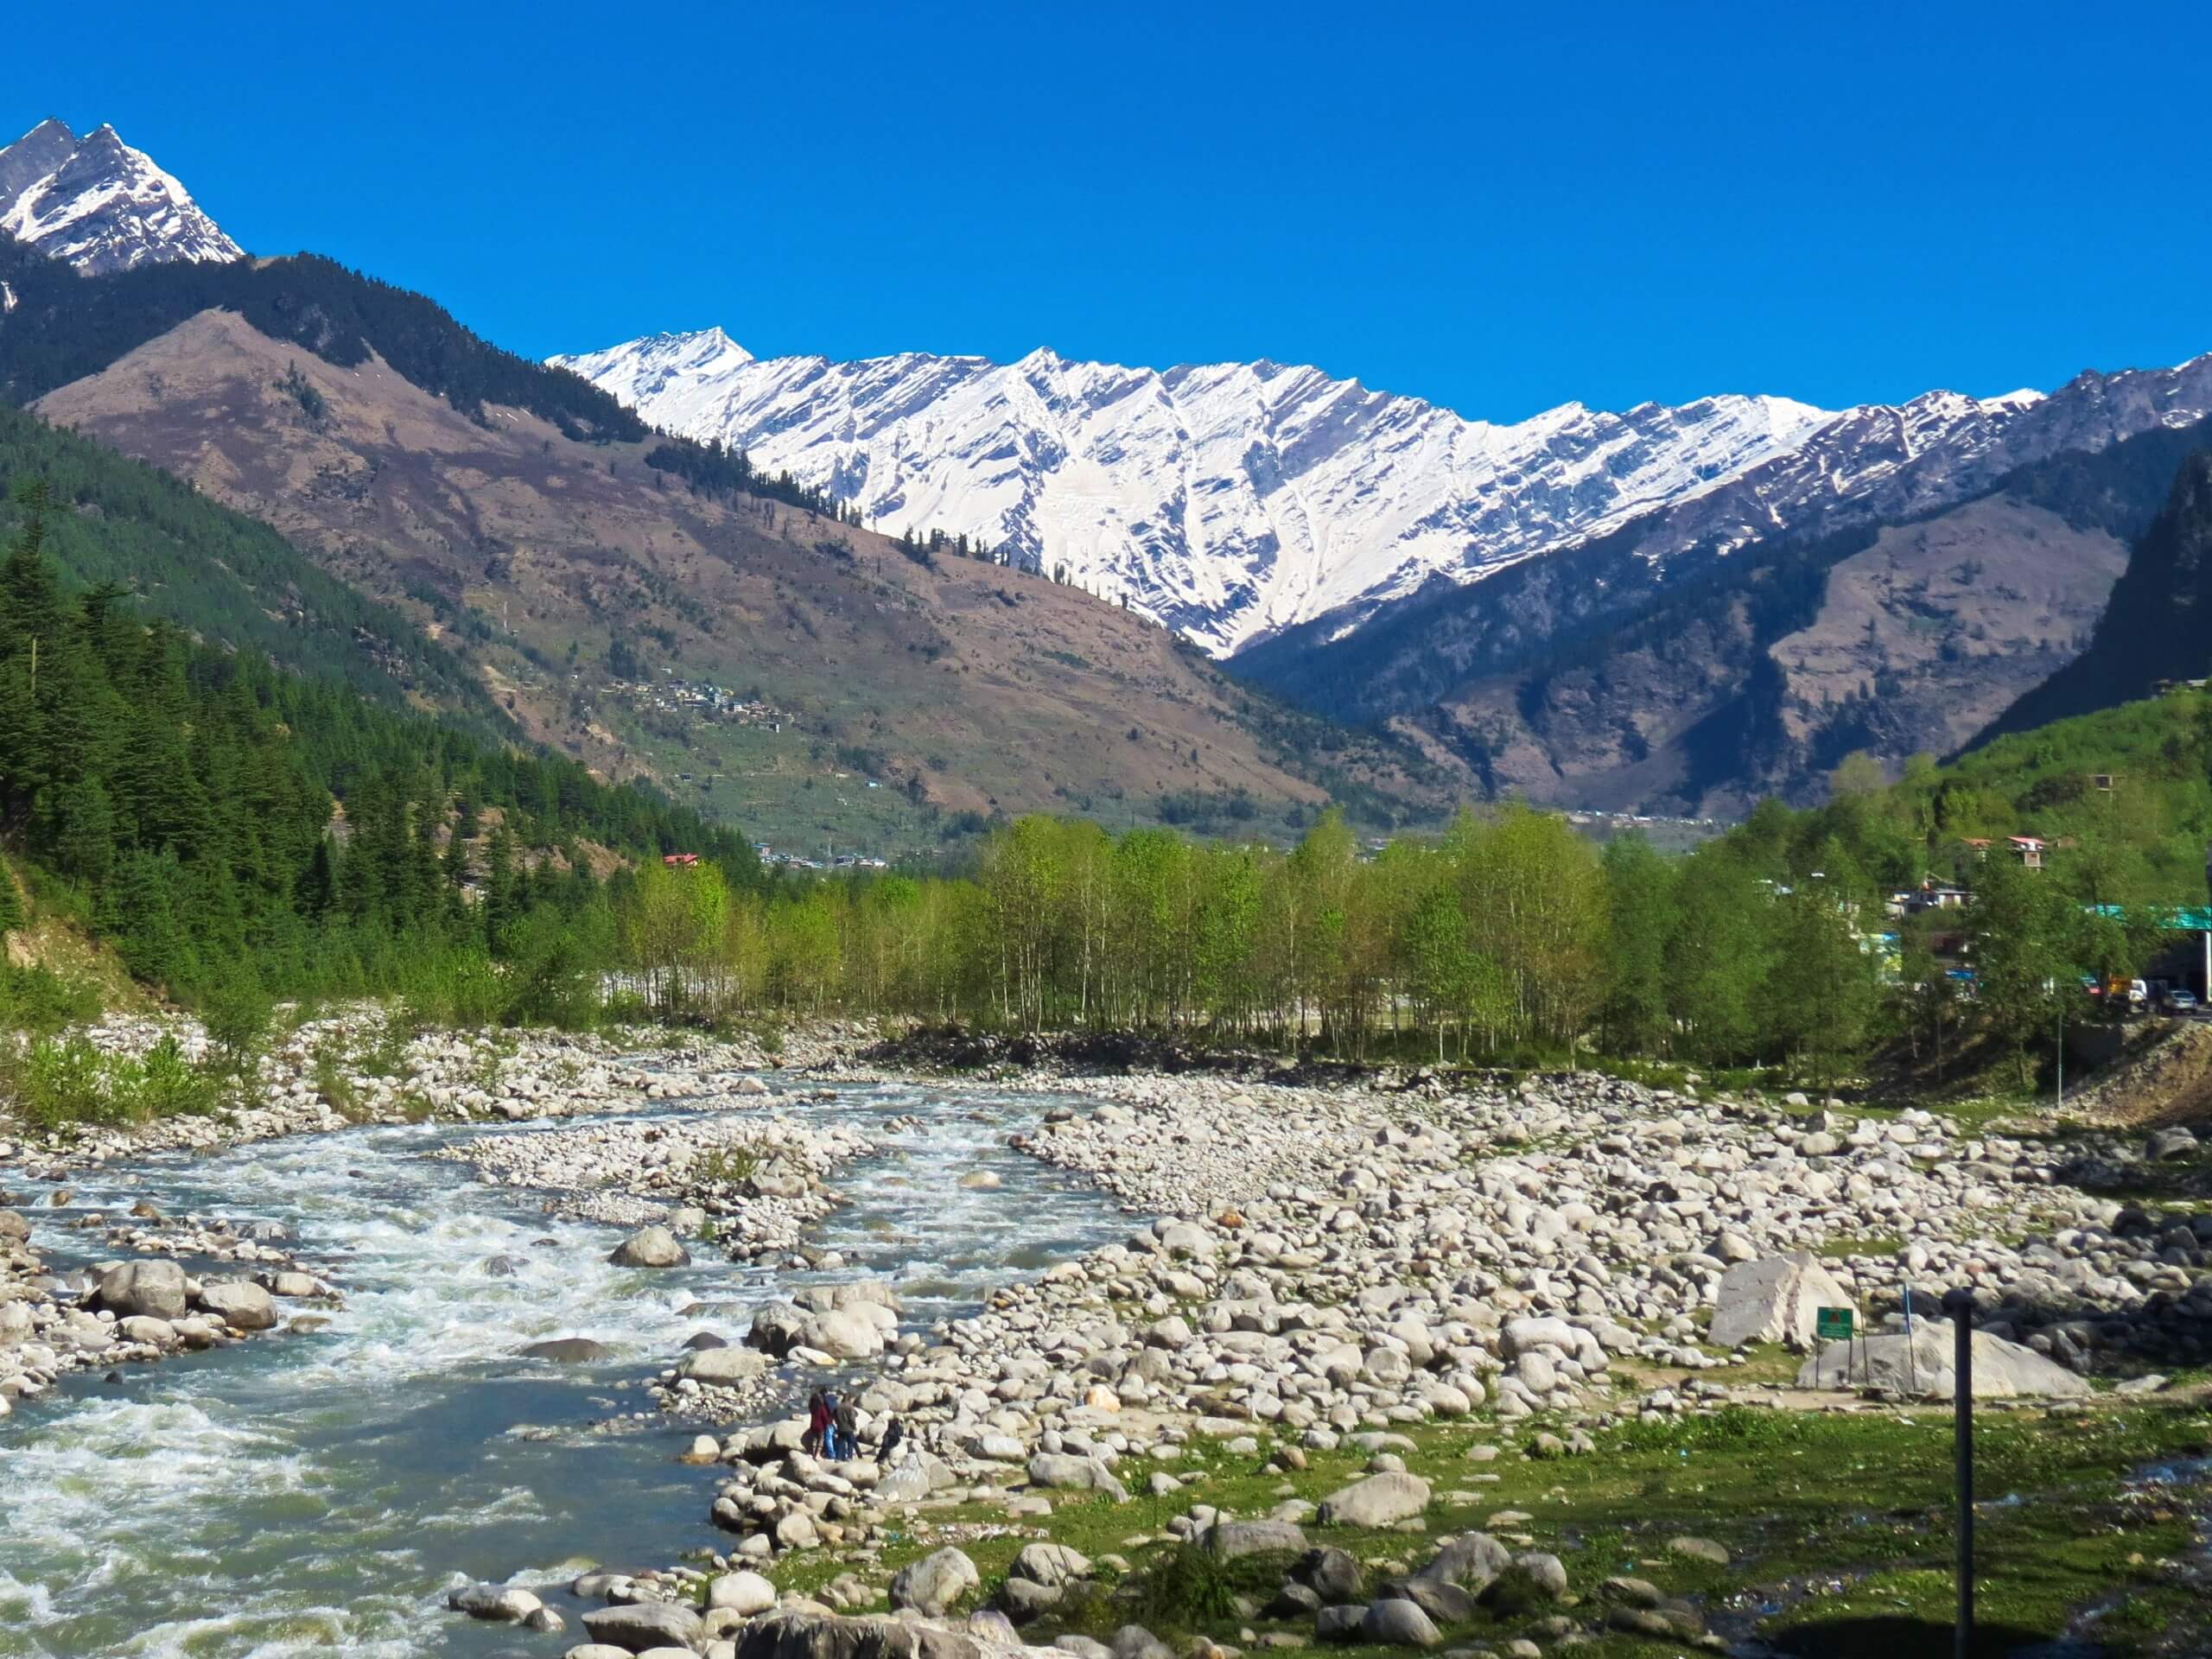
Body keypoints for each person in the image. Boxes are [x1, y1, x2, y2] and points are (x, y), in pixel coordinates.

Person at [835, 1395, 861, 1463]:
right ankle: (849, 1457)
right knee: (851, 1442)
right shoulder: (850, 1407)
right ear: (849, 1399)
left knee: (840, 1442)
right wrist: (854, 1426)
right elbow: (852, 1418)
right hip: (849, 1427)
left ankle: (838, 1458)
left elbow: (833, 1416)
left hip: (840, 1427)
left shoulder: (838, 1406)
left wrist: (838, 1423)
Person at [804, 1389, 830, 1458]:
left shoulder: (812, 1407)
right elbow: (824, 1417)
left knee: (814, 1439)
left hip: (813, 1425)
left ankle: (812, 1453)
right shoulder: (821, 1407)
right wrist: (828, 1423)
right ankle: (817, 1454)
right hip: (820, 1426)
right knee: (820, 1440)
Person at [821, 1388, 845, 1459]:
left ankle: (831, 1454)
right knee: (835, 1437)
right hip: (835, 1421)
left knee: (828, 1438)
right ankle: (841, 1452)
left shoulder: (825, 1401)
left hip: (828, 1422)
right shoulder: (834, 1400)